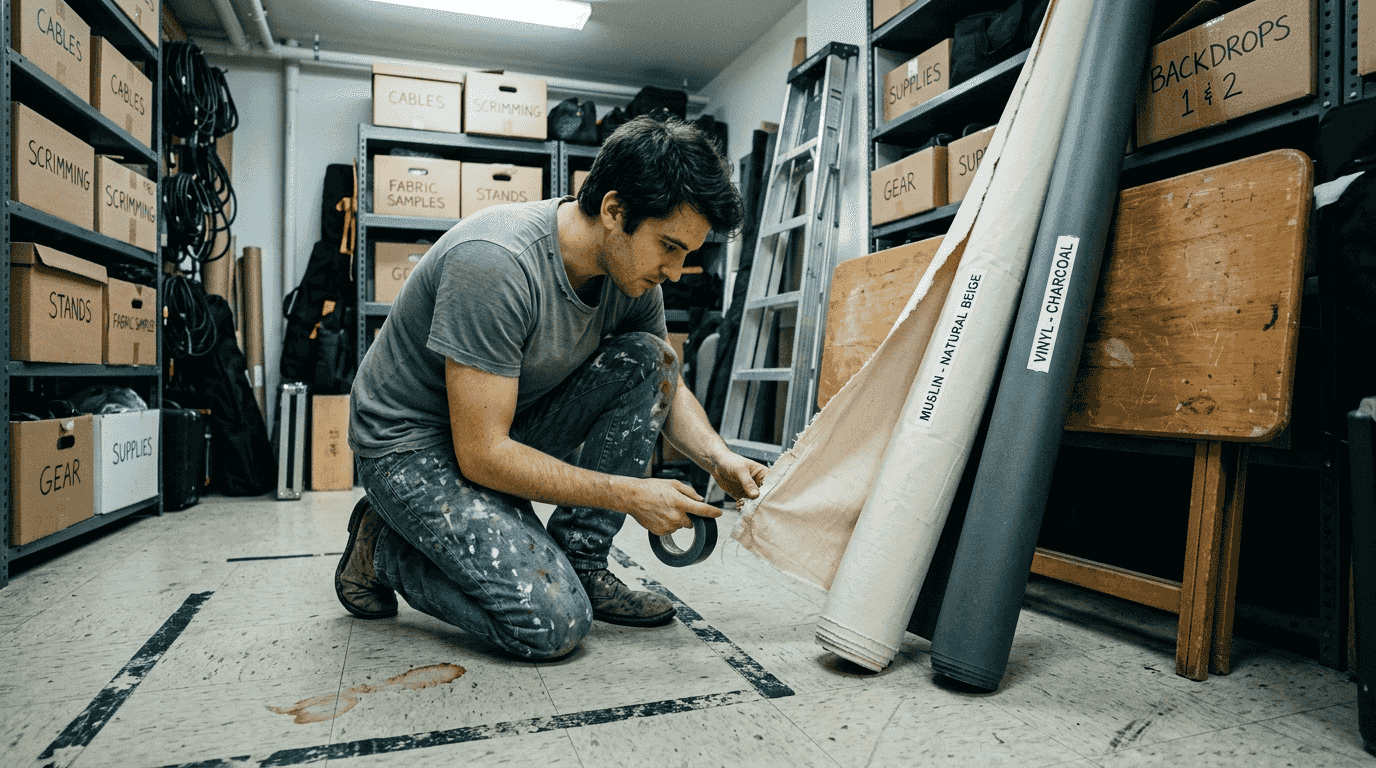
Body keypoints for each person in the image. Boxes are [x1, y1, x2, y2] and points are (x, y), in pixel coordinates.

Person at [338, 117, 769, 660]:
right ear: (614, 212)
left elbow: (665, 381)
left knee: (650, 356)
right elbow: (482, 455)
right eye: (669, 246)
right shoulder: (497, 263)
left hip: (500, 425)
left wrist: (718, 459)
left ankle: (584, 564)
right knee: (551, 623)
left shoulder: (631, 274)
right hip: (411, 448)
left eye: (686, 253)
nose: (677, 271)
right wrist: (632, 495)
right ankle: (380, 549)